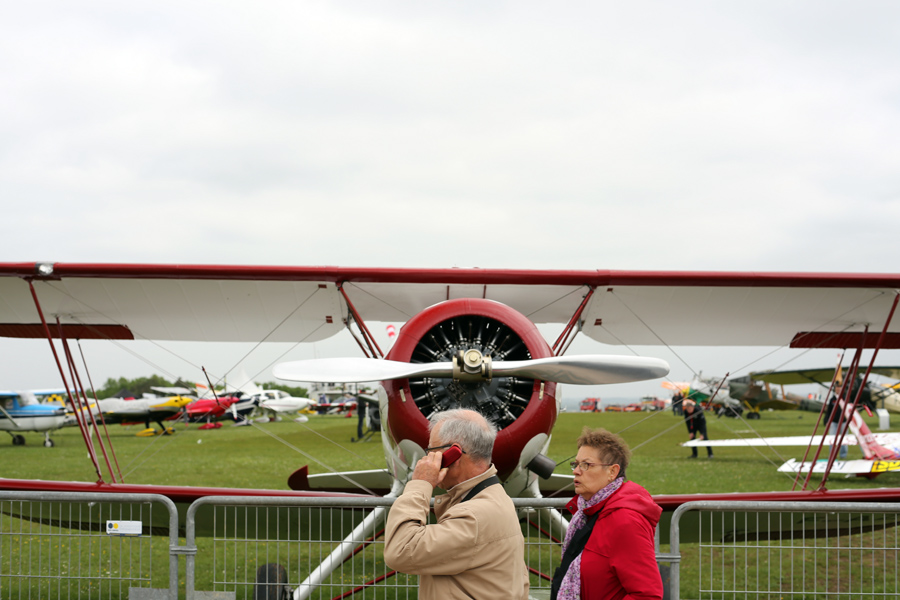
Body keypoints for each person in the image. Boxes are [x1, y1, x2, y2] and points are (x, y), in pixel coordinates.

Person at [383, 409, 529, 600]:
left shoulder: (474, 516)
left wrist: (420, 484)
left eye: (431, 452)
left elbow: (400, 551)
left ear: (454, 454)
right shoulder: (492, 497)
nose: (426, 460)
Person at [551, 427, 663, 600]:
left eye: (586, 465)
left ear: (612, 472)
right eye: (576, 464)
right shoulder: (586, 514)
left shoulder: (625, 521)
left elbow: (647, 594)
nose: (576, 471)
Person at [826, 395, 849, 460]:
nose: (838, 389)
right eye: (837, 387)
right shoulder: (832, 399)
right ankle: (832, 456)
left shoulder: (846, 398)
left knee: (844, 439)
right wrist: (827, 420)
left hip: (843, 422)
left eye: (840, 387)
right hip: (834, 422)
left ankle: (843, 455)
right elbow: (829, 411)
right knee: (832, 439)